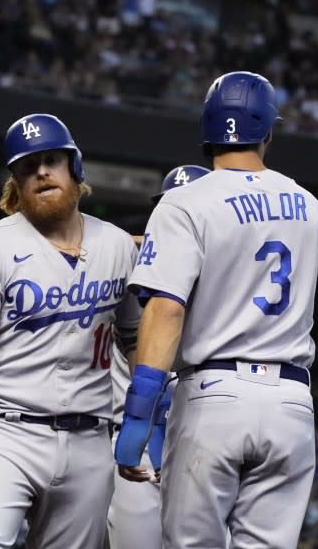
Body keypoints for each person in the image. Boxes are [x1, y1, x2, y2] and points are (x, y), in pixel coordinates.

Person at [0, 113, 141, 548]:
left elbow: (136, 341)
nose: (41, 171)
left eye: (51, 160)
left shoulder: (117, 246)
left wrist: (148, 412)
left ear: (75, 167)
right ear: (15, 182)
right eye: (27, 166)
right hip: (5, 432)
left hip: (90, 440)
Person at [114, 71, 318, 548]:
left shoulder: (185, 203)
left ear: (207, 132)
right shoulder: (309, 205)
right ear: (269, 131)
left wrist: (138, 416)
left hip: (215, 396)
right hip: (291, 401)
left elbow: (166, 310)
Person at [106, 165, 209, 549]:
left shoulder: (228, 280)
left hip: (202, 441)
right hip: (134, 444)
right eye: (171, 207)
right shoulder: (127, 261)